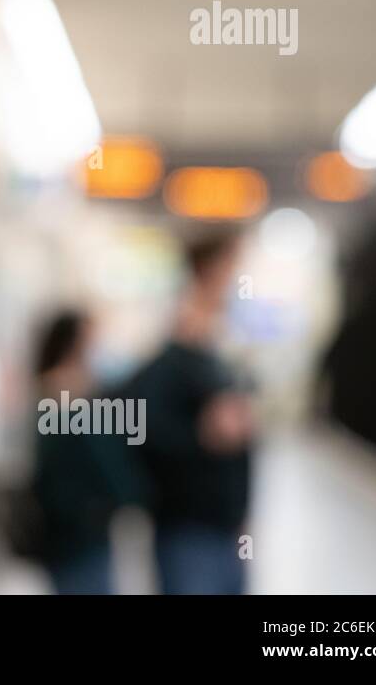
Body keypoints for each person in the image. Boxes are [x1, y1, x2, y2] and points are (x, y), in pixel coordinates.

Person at [125, 229, 255, 594]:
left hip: (225, 530)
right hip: (187, 532)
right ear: (208, 273)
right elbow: (142, 428)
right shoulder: (172, 361)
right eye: (231, 270)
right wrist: (203, 434)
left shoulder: (218, 354)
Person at [29, 309, 149, 594]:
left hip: (79, 535)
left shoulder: (75, 396)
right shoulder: (66, 400)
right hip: (77, 537)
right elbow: (105, 462)